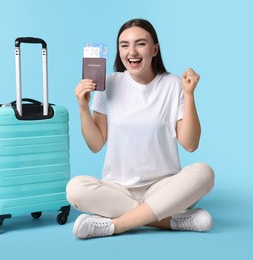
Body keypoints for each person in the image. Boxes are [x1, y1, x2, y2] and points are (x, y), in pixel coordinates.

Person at [67, 18, 215, 239]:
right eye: (124, 45)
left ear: (155, 49)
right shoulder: (109, 83)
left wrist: (189, 94)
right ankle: (169, 221)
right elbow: (96, 144)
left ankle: (115, 225)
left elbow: (190, 144)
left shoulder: (174, 84)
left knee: (204, 173)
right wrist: (82, 107)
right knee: (75, 189)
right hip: (118, 189)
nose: (132, 51)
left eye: (141, 44)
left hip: (165, 187)